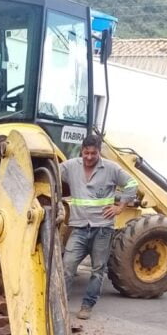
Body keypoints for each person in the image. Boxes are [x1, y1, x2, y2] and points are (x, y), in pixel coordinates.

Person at [60, 134, 138, 320]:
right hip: (79, 227)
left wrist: (120, 207)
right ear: (81, 151)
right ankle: (60, 305)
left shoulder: (111, 169)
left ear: (99, 152)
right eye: (86, 153)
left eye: (93, 154)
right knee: (67, 267)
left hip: (102, 229)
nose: (89, 157)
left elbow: (132, 184)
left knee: (97, 270)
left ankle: (87, 305)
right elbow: (49, 172)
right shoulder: (71, 166)